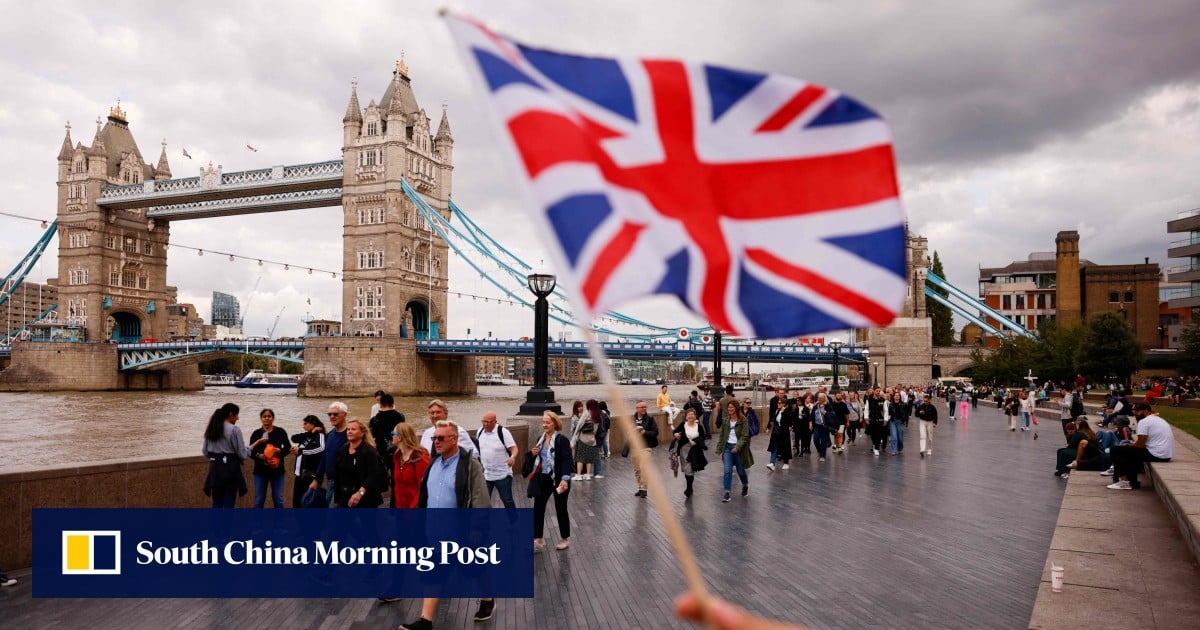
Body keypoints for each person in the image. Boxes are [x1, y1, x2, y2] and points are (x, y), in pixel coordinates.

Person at [402, 420, 494, 630]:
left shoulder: (470, 465)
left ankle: (488, 599)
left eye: (441, 438)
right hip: (434, 531)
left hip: (461, 532)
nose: (436, 442)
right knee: (432, 574)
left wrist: (477, 529)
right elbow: (425, 496)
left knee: (475, 570)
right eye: (434, 438)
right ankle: (425, 620)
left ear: (454, 439)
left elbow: (481, 498)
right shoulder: (432, 464)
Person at [531, 411, 573, 551]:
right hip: (543, 478)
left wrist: (565, 479)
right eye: (543, 422)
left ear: (555, 423)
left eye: (547, 422)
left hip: (559, 479)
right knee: (538, 508)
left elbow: (567, 460)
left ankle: (564, 538)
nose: (544, 425)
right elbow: (538, 460)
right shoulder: (540, 439)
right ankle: (538, 539)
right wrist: (533, 454)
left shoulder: (562, 440)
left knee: (560, 508)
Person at [1108, 403, 1175, 490]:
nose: (1135, 413)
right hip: (1165, 455)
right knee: (1129, 451)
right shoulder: (1157, 419)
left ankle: (1125, 482)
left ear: (1146, 411)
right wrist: (1129, 446)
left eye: (1137, 411)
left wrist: (1129, 446)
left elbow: (1140, 445)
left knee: (1115, 450)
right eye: (1133, 411)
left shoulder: (1144, 422)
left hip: (1156, 454)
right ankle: (1132, 482)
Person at [202, 403, 256, 508]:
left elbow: (205, 452)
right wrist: (252, 447)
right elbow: (242, 454)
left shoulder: (212, 427)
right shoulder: (234, 430)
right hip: (230, 469)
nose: (238, 418)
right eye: (237, 415)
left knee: (216, 502)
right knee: (229, 501)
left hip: (215, 468)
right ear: (231, 414)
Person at [332, 419, 386, 508]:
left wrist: (360, 493)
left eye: (353, 429)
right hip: (345, 496)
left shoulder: (369, 451)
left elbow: (373, 475)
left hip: (365, 498)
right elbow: (338, 474)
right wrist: (337, 498)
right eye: (348, 429)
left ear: (362, 433)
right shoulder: (343, 449)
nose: (349, 432)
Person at [475, 411, 518, 508]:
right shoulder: (480, 431)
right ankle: (484, 522)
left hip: (503, 474)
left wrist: (513, 457)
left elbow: (514, 448)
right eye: (483, 421)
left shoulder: (503, 432)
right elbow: (477, 449)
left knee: (507, 500)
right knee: (484, 502)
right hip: (486, 475)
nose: (485, 424)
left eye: (488, 422)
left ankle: (514, 521)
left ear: (495, 422)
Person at [248, 408, 290, 508]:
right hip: (260, 472)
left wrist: (279, 451)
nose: (267, 418)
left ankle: (279, 522)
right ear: (261, 419)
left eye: (269, 416)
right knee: (259, 499)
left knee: (278, 499)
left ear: (273, 418)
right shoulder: (256, 433)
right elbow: (251, 451)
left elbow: (288, 447)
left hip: (277, 472)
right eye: (264, 416)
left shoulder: (280, 431)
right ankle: (258, 522)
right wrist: (259, 456)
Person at [716, 400, 753, 501]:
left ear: (736, 408)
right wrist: (719, 449)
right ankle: (727, 493)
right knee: (727, 471)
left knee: (740, 471)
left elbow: (745, 435)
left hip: (739, 449)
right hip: (727, 448)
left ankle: (745, 485)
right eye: (729, 407)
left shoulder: (743, 420)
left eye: (732, 407)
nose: (730, 409)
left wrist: (737, 447)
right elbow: (722, 435)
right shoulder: (725, 420)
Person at [315, 402, 350, 506]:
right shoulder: (330, 435)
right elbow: (325, 457)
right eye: (329, 414)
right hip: (330, 482)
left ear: (345, 414)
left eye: (335, 414)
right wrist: (317, 479)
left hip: (343, 483)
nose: (332, 416)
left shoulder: (350, 435)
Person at [289, 414, 326, 508]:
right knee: (296, 501)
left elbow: (321, 448)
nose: (303, 426)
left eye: (306, 424)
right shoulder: (308, 436)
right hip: (299, 474)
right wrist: (310, 433)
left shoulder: (320, 435)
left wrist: (301, 451)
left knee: (308, 502)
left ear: (313, 424)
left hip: (310, 475)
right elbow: (294, 438)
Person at [391, 422, 429, 509]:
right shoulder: (397, 455)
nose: (392, 436)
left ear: (400, 437)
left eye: (393, 433)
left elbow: (423, 489)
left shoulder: (420, 459)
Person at [673, 408, 710, 497]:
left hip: (695, 450)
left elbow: (703, 437)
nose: (690, 416)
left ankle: (689, 488)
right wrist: (676, 435)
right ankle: (689, 487)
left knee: (690, 469)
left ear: (695, 416)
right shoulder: (683, 425)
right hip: (684, 449)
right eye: (689, 414)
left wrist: (696, 442)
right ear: (686, 416)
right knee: (687, 469)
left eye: (692, 414)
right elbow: (675, 432)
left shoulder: (699, 426)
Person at [369, 393, 406, 479]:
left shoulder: (374, 420)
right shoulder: (400, 416)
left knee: (381, 474)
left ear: (380, 405)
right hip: (397, 449)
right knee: (396, 475)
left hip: (381, 449)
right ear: (393, 404)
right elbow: (402, 431)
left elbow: (372, 435)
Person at [631, 401, 659, 497]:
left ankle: (644, 489)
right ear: (637, 408)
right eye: (642, 407)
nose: (644, 409)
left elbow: (656, 432)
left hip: (646, 447)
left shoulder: (650, 418)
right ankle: (640, 487)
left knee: (644, 468)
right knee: (637, 469)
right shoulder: (632, 418)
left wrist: (645, 432)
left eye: (645, 407)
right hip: (634, 447)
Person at [570, 400, 601, 480]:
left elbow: (579, 425)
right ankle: (587, 475)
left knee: (580, 457)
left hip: (583, 438)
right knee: (589, 459)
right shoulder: (597, 414)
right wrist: (592, 436)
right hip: (592, 440)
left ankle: (579, 475)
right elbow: (595, 429)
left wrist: (575, 435)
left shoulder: (587, 413)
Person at [765, 396, 795, 470]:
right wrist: (768, 427)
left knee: (785, 447)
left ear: (784, 404)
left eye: (779, 403)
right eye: (778, 403)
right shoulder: (777, 411)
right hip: (776, 431)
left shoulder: (787, 412)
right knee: (774, 447)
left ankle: (786, 462)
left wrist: (790, 426)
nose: (778, 404)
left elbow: (789, 421)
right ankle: (772, 463)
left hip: (784, 432)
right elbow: (773, 419)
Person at [587, 399, 609, 479]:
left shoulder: (596, 414)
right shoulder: (598, 413)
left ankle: (598, 472)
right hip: (599, 436)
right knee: (596, 455)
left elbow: (597, 427)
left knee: (596, 455)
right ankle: (597, 472)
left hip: (598, 437)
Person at [866, 388, 886, 456]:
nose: (878, 392)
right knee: (872, 434)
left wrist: (885, 420)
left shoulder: (883, 400)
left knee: (879, 434)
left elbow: (885, 410)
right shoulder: (869, 400)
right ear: (874, 391)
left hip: (880, 419)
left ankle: (877, 448)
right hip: (872, 419)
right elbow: (866, 409)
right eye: (877, 391)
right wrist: (866, 418)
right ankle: (874, 444)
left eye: (879, 391)